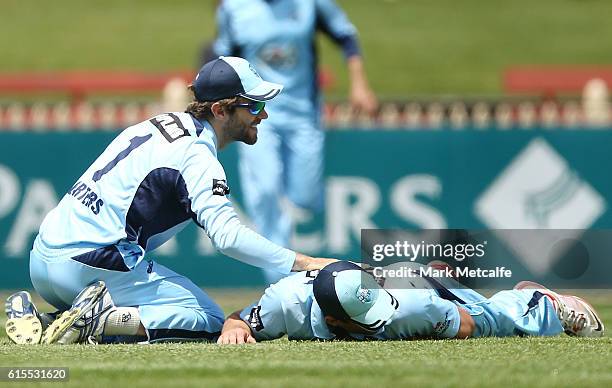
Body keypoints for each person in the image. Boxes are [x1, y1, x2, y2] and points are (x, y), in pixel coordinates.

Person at [5, 56, 337, 345]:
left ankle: (46, 320)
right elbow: (229, 238)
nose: (262, 115)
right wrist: (310, 264)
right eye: (254, 105)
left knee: (176, 306)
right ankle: (97, 320)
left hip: (43, 261)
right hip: (90, 267)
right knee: (206, 318)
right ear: (220, 110)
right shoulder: (195, 154)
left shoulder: (157, 123)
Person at [211, 0, 378, 283]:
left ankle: (286, 248)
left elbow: (346, 36)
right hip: (258, 116)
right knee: (265, 191)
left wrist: (360, 84)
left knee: (305, 199)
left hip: (304, 115)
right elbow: (221, 61)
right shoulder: (233, 8)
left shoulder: (311, 3)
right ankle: (279, 282)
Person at [216, 261, 605, 343]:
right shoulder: (285, 301)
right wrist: (235, 325)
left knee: (491, 320)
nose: (379, 320)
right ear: (333, 322)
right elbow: (242, 318)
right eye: (365, 318)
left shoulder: (410, 308)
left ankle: (539, 300)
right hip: (389, 279)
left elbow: (469, 325)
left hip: (417, 285)